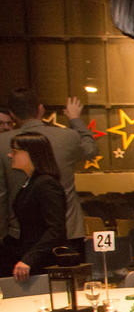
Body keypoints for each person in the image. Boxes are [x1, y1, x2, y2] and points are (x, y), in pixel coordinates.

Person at [0, 89, 97, 254]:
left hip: (21, 233)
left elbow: (1, 195)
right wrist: (75, 119)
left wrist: (3, 234)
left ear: (12, 114)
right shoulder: (68, 137)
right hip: (67, 230)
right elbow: (91, 148)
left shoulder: (3, 143)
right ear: (40, 109)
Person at [5, 133, 66, 279]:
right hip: (30, 256)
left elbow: (56, 228)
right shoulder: (31, 182)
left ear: (31, 153)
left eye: (14, 151)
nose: (9, 155)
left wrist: (29, 259)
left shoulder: (45, 183)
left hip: (42, 261)